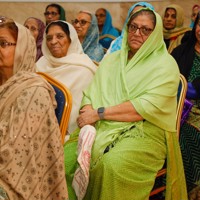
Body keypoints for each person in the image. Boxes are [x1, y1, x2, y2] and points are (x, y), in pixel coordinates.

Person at [64, 8, 188, 200]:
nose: (137, 33)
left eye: (145, 30)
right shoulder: (113, 59)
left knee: (112, 165)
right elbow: (92, 91)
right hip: (102, 125)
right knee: (65, 160)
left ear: (155, 34)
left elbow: (144, 107)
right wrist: (88, 109)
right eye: (133, 27)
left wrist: (98, 113)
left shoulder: (166, 65)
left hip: (145, 129)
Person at [0, 16, 68, 199]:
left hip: (10, 178)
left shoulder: (33, 93)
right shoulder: (3, 81)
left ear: (22, 48)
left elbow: (15, 153)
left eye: (3, 43)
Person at [36, 20, 97, 136]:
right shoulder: (41, 64)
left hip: (64, 133)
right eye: (49, 38)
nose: (53, 42)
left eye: (60, 36)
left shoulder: (84, 69)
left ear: (71, 39)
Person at [171, 11, 200, 200]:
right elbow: (167, 80)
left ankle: (191, 190)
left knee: (184, 138)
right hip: (174, 107)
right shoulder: (181, 51)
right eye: (199, 24)